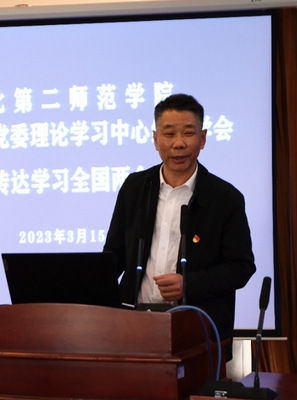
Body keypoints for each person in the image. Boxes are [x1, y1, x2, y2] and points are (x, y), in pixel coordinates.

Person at [103, 94, 256, 360]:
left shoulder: (225, 198)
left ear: (203, 138)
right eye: (169, 133)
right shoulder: (135, 188)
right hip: (134, 324)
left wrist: (189, 284)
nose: (178, 143)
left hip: (197, 328)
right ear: (155, 139)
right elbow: (114, 254)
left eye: (188, 133)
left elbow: (241, 267)